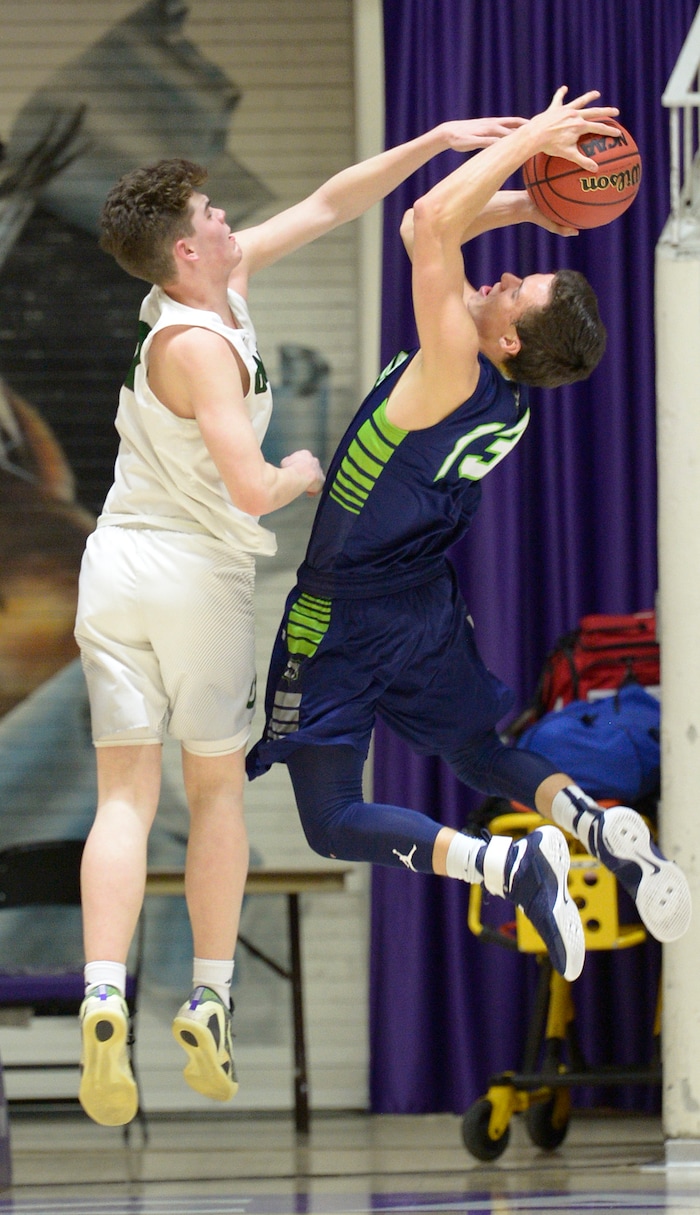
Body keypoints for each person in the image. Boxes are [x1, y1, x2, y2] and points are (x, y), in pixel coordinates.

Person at [72, 116, 533, 1128]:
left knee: (121, 797)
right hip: (195, 581)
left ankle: (102, 993)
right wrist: (303, 471)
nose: (227, 213)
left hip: (114, 571)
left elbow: (334, 202)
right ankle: (208, 996)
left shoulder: (195, 295)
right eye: (210, 212)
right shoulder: (205, 345)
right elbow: (248, 489)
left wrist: (445, 142)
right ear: (189, 249)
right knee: (214, 796)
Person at [247, 87, 692, 990]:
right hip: (421, 601)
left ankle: (507, 865)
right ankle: (597, 826)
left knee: (331, 820)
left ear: (513, 342)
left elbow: (430, 217)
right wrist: (538, 197)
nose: (496, 279)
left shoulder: (453, 364)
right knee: (483, 752)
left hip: (344, 611)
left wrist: (533, 139)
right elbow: (428, 236)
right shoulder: (504, 393)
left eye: (512, 290)